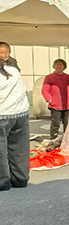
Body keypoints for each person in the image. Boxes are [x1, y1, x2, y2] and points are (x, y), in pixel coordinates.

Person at [0, 58, 29, 191]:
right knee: (19, 149)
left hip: (2, 115)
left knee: (1, 150)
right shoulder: (14, 72)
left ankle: (2, 182)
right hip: (20, 114)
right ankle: (20, 179)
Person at [41, 58, 69, 139]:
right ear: (54, 66)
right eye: (57, 64)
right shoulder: (49, 77)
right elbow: (44, 90)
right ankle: (53, 138)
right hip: (55, 105)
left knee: (67, 123)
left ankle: (67, 139)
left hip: (67, 104)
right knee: (55, 123)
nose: (59, 66)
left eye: (61, 65)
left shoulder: (68, 77)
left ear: (64, 67)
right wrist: (50, 99)